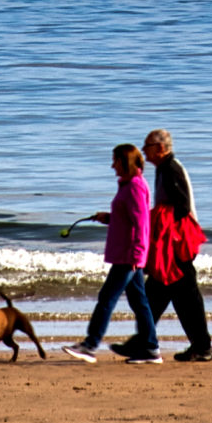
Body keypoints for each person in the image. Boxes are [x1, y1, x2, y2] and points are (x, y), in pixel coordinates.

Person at [65, 142, 159, 363]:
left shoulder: (135, 186)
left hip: (129, 256)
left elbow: (141, 224)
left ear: (124, 162)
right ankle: (151, 349)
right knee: (139, 302)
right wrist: (109, 218)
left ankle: (90, 345)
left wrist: (137, 255)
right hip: (127, 254)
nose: (112, 165)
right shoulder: (129, 185)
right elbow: (128, 219)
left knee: (107, 297)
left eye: (115, 160)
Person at [143, 128, 212, 361]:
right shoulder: (165, 169)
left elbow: (181, 207)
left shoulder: (171, 169)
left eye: (148, 147)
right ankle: (200, 347)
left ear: (160, 148)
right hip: (173, 242)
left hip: (179, 242)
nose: (144, 152)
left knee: (174, 296)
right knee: (169, 295)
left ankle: (200, 348)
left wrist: (155, 225)